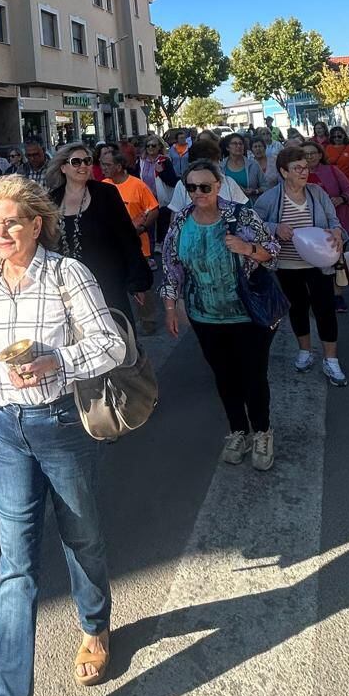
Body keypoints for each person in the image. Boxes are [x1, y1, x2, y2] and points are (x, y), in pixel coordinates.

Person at [0, 175, 127, 696]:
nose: (1, 233)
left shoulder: (66, 275)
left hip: (60, 425)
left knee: (80, 534)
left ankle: (94, 622)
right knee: (16, 568)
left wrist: (58, 360)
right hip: (6, 431)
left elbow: (110, 344)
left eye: (13, 222)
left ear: (37, 224)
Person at [161, 160, 281, 470]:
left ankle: (262, 432)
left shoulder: (240, 216)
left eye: (205, 186)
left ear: (219, 186)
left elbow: (273, 250)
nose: (198, 193)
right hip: (206, 316)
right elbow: (171, 266)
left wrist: (247, 248)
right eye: (191, 188)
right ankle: (238, 430)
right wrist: (171, 307)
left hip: (247, 314)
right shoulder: (180, 221)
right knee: (225, 376)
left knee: (253, 377)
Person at [255, 147, 347, 385]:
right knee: (297, 308)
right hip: (288, 265)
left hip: (320, 263)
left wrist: (336, 230)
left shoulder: (317, 193)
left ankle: (331, 359)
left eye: (305, 167)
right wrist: (275, 228)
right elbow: (254, 224)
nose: (304, 172)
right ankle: (305, 351)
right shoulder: (270, 197)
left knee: (324, 308)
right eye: (297, 168)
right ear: (284, 172)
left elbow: (333, 219)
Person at [47, 143, 149, 320]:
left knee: (118, 333)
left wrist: (137, 281)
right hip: (69, 286)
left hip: (107, 280)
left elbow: (127, 236)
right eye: (76, 162)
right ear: (63, 167)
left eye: (87, 161)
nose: (83, 166)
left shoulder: (105, 193)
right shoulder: (52, 200)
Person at [99, 145, 160, 330]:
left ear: (119, 166)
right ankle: (120, 323)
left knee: (140, 283)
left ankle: (147, 319)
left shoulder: (137, 185)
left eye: (107, 165)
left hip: (138, 244)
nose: (103, 168)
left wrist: (141, 227)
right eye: (102, 164)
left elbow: (154, 209)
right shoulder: (103, 186)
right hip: (113, 246)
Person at [302, 139, 349, 235]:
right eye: (305, 154)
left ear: (320, 155)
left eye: (313, 153)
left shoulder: (332, 170)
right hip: (309, 226)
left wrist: (341, 198)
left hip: (338, 222)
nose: (309, 157)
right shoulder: (296, 174)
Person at [324, 126, 349, 191]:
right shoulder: (328, 148)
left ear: (344, 136)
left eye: (339, 136)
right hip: (335, 182)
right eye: (334, 137)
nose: (337, 138)